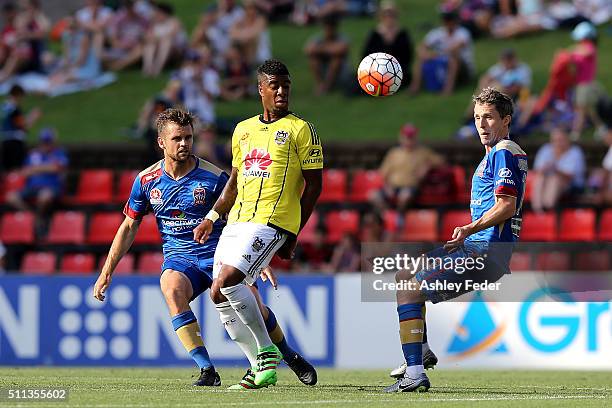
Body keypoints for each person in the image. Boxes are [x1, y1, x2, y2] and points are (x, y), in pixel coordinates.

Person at [93, 107, 316, 389]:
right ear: (161, 142)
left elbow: (243, 218)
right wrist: (106, 271)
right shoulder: (146, 181)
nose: (184, 143)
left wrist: (259, 261)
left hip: (221, 254)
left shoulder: (214, 177)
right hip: (181, 259)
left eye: (188, 137)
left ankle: (288, 355)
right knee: (171, 288)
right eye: (177, 139)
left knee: (255, 308)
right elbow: (128, 226)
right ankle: (207, 370)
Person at [384, 87, 527, 392]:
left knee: (410, 290)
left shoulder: (503, 151)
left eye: (488, 117)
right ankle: (419, 353)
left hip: (484, 250)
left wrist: (469, 228)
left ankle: (415, 373)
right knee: (405, 276)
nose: (481, 124)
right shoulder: (497, 153)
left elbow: (507, 205)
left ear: (506, 120)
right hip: (477, 247)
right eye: (477, 117)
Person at [193, 59, 323, 388]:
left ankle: (266, 352)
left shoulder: (301, 129)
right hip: (237, 220)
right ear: (260, 89)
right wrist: (212, 216)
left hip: (272, 220)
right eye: (274, 86)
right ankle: (258, 367)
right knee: (217, 294)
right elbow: (235, 181)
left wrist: (294, 231)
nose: (281, 91)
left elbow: (314, 186)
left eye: (286, 86)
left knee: (228, 280)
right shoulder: (243, 130)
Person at [370, 123, 443, 214]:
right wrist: (387, 187)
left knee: (404, 196)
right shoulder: (394, 153)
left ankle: (399, 217)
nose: (409, 140)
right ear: (401, 137)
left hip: (410, 187)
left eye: (411, 137)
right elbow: (383, 173)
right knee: (374, 196)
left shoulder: (423, 152)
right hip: (392, 187)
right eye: (407, 137)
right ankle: (387, 216)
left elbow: (440, 161)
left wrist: (427, 166)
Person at [6, 128, 68, 235]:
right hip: (31, 187)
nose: (46, 144)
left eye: (48, 141)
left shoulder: (59, 153)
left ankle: (40, 217)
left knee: (44, 196)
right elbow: (24, 172)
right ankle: (33, 215)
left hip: (51, 187)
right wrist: (44, 168)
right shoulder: (33, 154)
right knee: (10, 197)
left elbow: (57, 168)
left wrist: (35, 169)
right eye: (44, 141)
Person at [409, 9, 474, 95]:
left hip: (463, 68)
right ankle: (415, 87)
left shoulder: (463, 33)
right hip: (442, 63)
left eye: (450, 20)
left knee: (453, 59)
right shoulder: (437, 33)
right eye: (446, 20)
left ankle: (447, 90)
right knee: (420, 60)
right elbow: (421, 46)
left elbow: (454, 48)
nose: (448, 23)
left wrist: (434, 54)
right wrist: (424, 54)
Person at [531, 127, 586, 212]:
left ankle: (547, 208)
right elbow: (537, 171)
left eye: (560, 140)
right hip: (547, 182)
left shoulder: (575, 152)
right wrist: (545, 169)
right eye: (555, 140)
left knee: (554, 179)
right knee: (540, 178)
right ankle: (538, 210)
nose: (557, 143)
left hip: (572, 185)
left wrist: (555, 169)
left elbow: (570, 176)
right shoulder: (546, 149)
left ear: (567, 139)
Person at [361, 0, 413, 86]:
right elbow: (365, 56)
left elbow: (408, 57)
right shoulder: (374, 34)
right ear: (381, 16)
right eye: (386, 13)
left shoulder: (402, 34)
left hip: (397, 72)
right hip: (375, 71)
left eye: (391, 13)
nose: (389, 17)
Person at [304, 13, 350, 95]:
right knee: (313, 59)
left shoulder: (343, 38)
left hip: (341, 75)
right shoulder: (318, 38)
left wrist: (320, 49)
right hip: (324, 71)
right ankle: (320, 84)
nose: (329, 29)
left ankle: (327, 87)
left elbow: (341, 50)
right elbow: (308, 50)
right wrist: (329, 49)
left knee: (336, 60)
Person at [0, 84, 41, 171]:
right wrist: (33, 117)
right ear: (18, 95)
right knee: (15, 170)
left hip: (5, 142)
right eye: (22, 97)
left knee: (6, 170)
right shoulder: (14, 109)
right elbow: (23, 127)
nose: (22, 100)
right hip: (15, 144)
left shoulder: (3, 107)